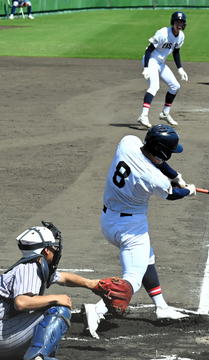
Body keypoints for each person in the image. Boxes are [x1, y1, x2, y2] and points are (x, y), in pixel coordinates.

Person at [81, 124, 195, 339]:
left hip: (108, 220)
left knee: (147, 258)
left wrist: (176, 175)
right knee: (132, 279)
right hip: (131, 229)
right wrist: (188, 191)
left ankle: (161, 307)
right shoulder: (154, 178)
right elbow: (170, 194)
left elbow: (159, 164)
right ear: (162, 151)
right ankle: (96, 310)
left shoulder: (127, 143)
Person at [0, 222, 101, 360]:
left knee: (51, 343)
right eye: (54, 246)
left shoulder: (34, 265)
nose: (56, 250)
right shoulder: (29, 268)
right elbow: (21, 303)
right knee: (58, 311)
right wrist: (55, 298)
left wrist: (92, 284)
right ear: (46, 250)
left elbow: (65, 278)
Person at [137, 12, 188, 129]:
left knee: (175, 86)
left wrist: (180, 69)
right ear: (173, 22)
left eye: (181, 22)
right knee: (154, 86)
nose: (179, 24)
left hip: (160, 63)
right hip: (151, 60)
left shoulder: (181, 36)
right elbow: (149, 50)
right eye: (177, 22)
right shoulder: (163, 33)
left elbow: (176, 51)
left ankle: (165, 113)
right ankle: (143, 116)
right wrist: (146, 68)